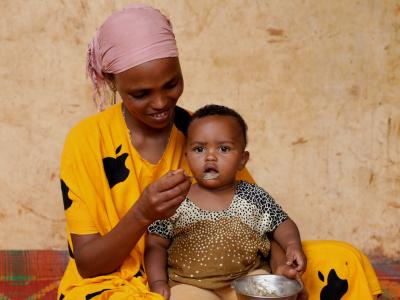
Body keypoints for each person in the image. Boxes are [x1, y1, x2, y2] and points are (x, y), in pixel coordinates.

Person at [58, 4, 294, 300]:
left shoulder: (203, 134)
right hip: (121, 284)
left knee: (343, 262)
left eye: (171, 84)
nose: (160, 103)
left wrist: (282, 272)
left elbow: (257, 222)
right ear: (113, 82)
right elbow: (90, 265)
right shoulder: (86, 141)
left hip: (221, 275)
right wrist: (143, 213)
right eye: (141, 94)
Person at [144, 104, 307, 300]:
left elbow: (281, 223)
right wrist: (158, 282)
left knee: (273, 290)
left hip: (247, 278)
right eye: (199, 149)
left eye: (224, 148)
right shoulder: (176, 198)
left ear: (242, 160)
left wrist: (292, 245)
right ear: (187, 157)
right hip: (190, 284)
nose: (210, 156)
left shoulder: (253, 195)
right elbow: (155, 244)